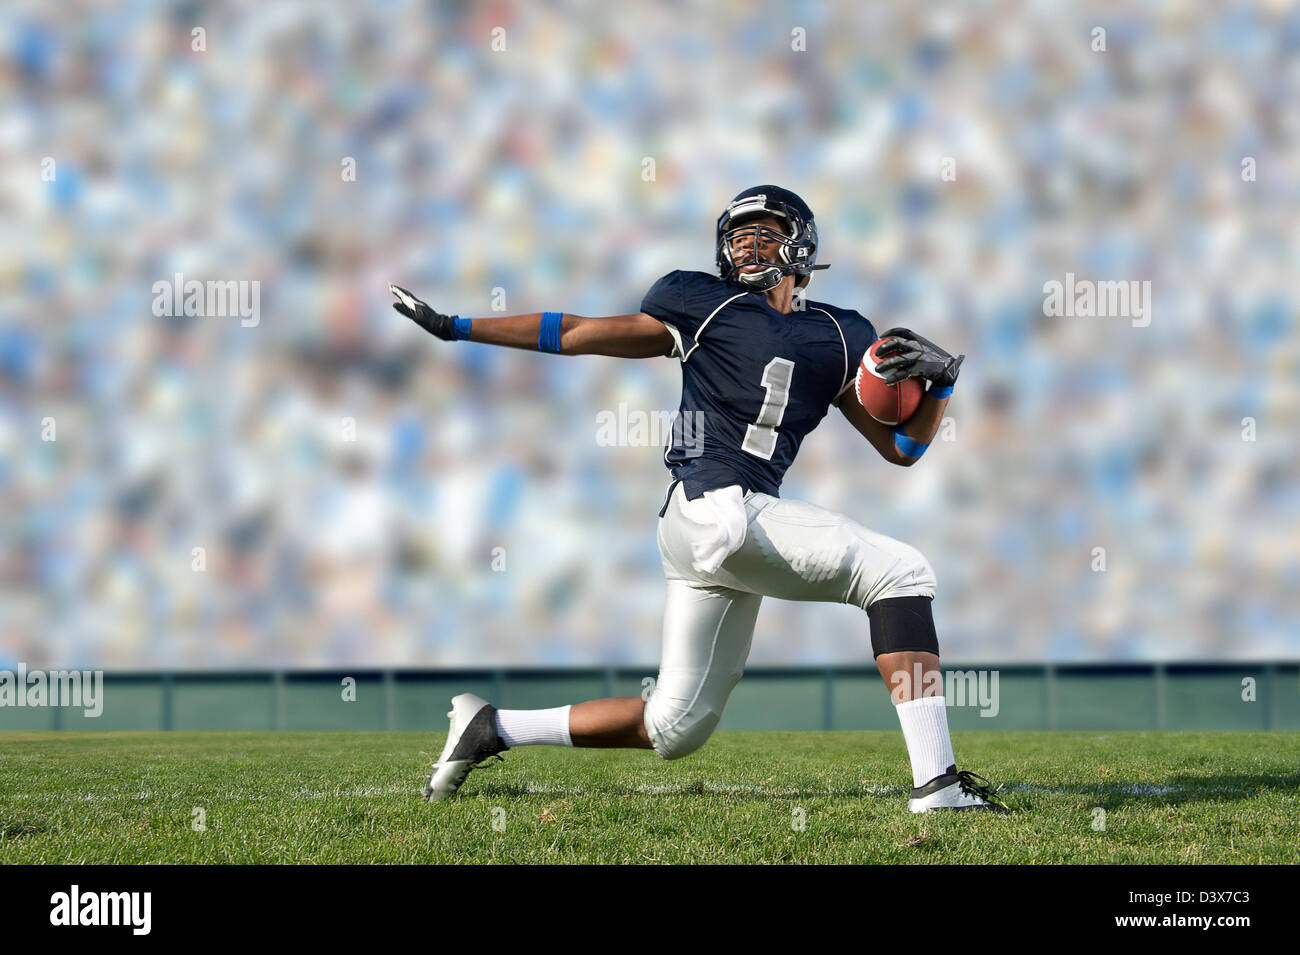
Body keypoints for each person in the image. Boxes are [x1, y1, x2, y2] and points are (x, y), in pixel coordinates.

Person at [391, 185, 1008, 813]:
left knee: (676, 726)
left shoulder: (841, 334)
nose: (748, 244)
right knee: (900, 571)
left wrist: (942, 385)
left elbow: (901, 447)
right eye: (739, 235)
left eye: (765, 231)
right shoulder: (704, 304)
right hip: (711, 504)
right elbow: (576, 331)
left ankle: (491, 727)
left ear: (801, 242)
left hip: (726, 527)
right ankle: (939, 784)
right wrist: (456, 327)